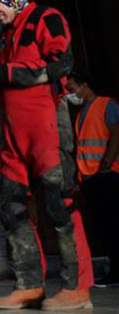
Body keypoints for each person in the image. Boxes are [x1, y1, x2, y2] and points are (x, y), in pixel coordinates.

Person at [0, 0, 93, 310]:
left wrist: (4, 73)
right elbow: (12, 80)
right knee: (9, 206)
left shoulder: (45, 18)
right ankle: (29, 286)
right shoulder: (5, 36)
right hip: (14, 132)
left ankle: (77, 288)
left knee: (59, 203)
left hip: (46, 126)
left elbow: (60, 65)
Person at [65, 72, 119, 287]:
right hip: (91, 177)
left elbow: (116, 133)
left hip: (107, 175)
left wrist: (107, 163)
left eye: (71, 89)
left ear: (84, 85)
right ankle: (115, 269)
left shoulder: (107, 105)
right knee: (105, 226)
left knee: (113, 225)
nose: (70, 94)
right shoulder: (81, 114)